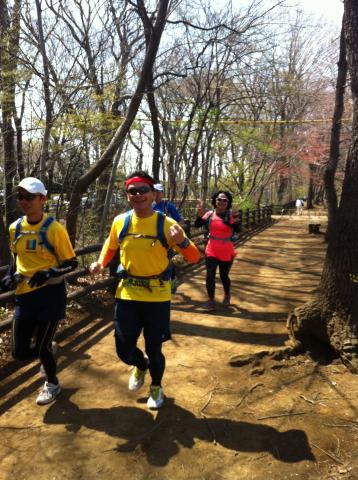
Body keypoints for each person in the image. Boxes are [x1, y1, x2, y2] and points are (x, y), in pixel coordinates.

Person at [90, 171, 200, 409]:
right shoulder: (121, 221)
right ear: (127, 196)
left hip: (157, 296)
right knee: (123, 347)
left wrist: (181, 241)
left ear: (153, 194)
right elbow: (110, 247)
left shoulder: (166, 224)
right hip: (127, 293)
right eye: (133, 191)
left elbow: (194, 257)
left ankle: (156, 387)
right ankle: (140, 365)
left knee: (154, 347)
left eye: (143, 190)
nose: (138, 195)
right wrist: (100, 263)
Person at [0, 177, 78, 405]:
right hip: (25, 295)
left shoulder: (55, 229)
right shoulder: (16, 228)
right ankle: (49, 351)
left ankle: (52, 383)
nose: (24, 201)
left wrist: (50, 272)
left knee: (41, 346)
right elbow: (17, 259)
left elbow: (72, 263)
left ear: (43, 199)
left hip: (50, 296)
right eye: (20, 197)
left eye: (29, 197)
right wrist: (8, 277)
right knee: (19, 353)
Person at [194, 191, 241, 311]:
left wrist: (235, 216)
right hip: (212, 249)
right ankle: (211, 300)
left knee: (224, 276)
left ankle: (227, 294)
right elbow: (197, 224)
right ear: (215, 201)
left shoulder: (231, 215)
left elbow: (238, 229)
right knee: (210, 275)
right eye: (219, 199)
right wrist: (199, 213)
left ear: (228, 202)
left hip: (226, 249)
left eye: (225, 200)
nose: (221, 202)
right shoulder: (210, 214)